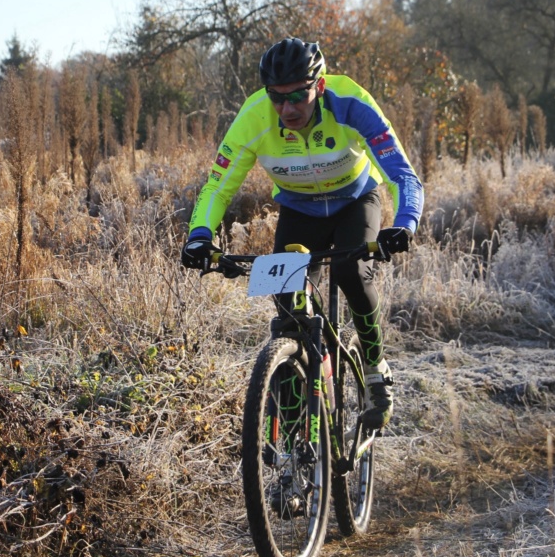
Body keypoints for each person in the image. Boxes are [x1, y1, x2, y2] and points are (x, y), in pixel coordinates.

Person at [180, 37, 423, 429]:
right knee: (287, 305)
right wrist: (199, 236)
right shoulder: (255, 118)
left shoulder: (351, 102)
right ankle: (295, 435)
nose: (287, 108)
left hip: (355, 201)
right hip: (299, 209)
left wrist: (405, 223)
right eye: (276, 97)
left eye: (297, 96)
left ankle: (376, 366)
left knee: (350, 272)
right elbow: (217, 186)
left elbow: (402, 174)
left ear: (320, 87)